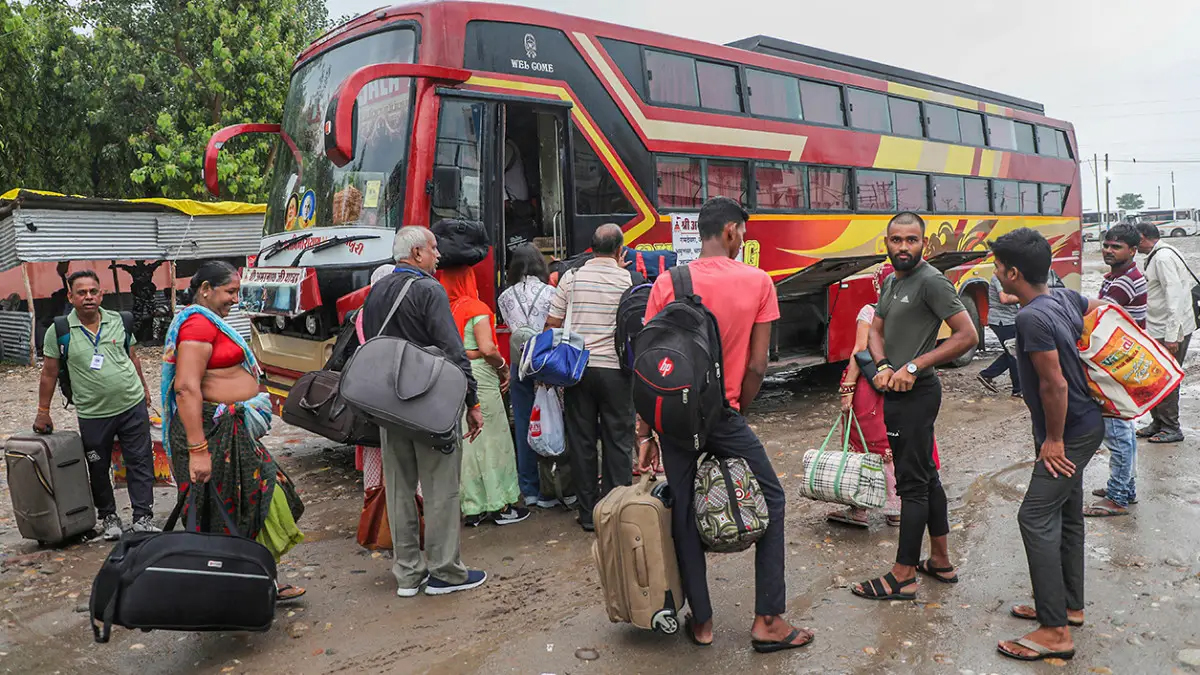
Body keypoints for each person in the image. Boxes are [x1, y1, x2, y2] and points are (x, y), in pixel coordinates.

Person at [635, 197, 810, 652]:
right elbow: (756, 365)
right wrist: (736, 408)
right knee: (771, 497)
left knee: (685, 510)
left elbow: (652, 366)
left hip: (674, 420)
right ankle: (768, 618)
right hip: (725, 414)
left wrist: (645, 430)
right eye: (744, 233)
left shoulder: (669, 281)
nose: (744, 240)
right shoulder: (758, 282)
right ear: (731, 231)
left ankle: (704, 622)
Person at [989, 228, 1104, 662]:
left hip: (1069, 429)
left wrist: (1054, 440)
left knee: (1034, 515)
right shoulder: (1060, 297)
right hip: (1086, 421)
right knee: (1067, 512)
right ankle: (1068, 607)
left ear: (1014, 272)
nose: (995, 274)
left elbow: (1053, 384)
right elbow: (1100, 308)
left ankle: (1055, 631)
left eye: (998, 268)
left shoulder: (1031, 318)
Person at [852, 211, 977, 601]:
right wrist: (885, 364)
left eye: (911, 240)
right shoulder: (891, 281)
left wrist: (914, 365)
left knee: (912, 484)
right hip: (896, 391)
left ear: (923, 243)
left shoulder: (931, 282)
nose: (903, 247)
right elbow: (876, 328)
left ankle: (903, 574)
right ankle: (940, 560)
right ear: (886, 242)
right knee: (927, 475)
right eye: (896, 240)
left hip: (918, 394)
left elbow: (967, 334)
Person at [162, 261, 306, 599]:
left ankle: (257, 582)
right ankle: (236, 590)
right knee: (234, 508)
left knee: (258, 501)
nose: (234, 299)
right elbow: (185, 388)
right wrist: (198, 451)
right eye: (230, 292)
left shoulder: (209, 322)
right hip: (212, 436)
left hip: (231, 431)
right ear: (206, 290)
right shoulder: (197, 325)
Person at [359, 226, 487, 597]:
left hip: (389, 405)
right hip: (430, 404)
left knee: (398, 488)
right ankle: (446, 572)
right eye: (433, 249)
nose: (438, 256)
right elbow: (454, 351)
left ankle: (408, 575)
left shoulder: (377, 289)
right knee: (441, 489)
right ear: (416, 254)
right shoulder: (430, 290)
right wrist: (472, 402)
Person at [33, 270, 159, 541]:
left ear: (102, 294)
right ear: (71, 296)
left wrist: (145, 389)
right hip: (93, 413)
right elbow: (49, 373)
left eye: (93, 291)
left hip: (131, 404)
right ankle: (109, 516)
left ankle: (143, 517)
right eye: (81, 292)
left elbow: (132, 357)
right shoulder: (60, 330)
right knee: (98, 467)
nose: (88, 297)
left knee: (140, 461)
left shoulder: (120, 321)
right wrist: (43, 412)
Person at [546, 223, 635, 532]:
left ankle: (587, 515)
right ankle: (618, 512)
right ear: (620, 250)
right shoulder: (630, 280)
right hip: (616, 373)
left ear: (591, 248)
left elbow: (552, 325)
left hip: (578, 372)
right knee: (618, 442)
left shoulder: (571, 278)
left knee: (582, 442)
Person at [441, 265, 528, 527]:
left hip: (455, 376)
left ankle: (473, 508)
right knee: (492, 440)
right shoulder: (476, 309)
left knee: (468, 443)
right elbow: (488, 348)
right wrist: (503, 368)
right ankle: (500, 505)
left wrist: (469, 354)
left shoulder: (445, 310)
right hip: (482, 379)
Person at [829, 263, 902, 528]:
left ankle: (859, 508)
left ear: (877, 285)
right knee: (890, 446)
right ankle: (896, 509)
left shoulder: (870, 312)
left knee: (861, 444)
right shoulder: (912, 312)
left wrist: (847, 389)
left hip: (870, 387)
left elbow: (860, 352)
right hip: (900, 385)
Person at [498, 244, 570, 509]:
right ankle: (557, 486)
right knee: (555, 423)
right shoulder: (552, 292)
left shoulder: (504, 297)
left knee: (526, 426)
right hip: (548, 366)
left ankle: (529, 489)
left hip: (520, 367)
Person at [1086, 224, 1147, 518]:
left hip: (1118, 363)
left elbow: (1101, 314)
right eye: (1106, 245)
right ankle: (1125, 487)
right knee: (1124, 429)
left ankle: (1118, 496)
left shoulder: (1125, 282)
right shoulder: (1117, 277)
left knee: (1116, 429)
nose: (1108, 250)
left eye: (1116, 247)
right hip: (1121, 359)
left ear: (1133, 251)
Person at [1134, 222, 1196, 443]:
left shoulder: (1162, 258)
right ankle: (1158, 422)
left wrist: (1172, 335)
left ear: (1143, 238)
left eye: (1135, 240)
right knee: (1155, 376)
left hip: (1169, 329)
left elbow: (1175, 297)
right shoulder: (1161, 253)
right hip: (1161, 326)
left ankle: (1171, 427)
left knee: (1165, 378)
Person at [977, 274, 1022, 397]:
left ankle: (987, 375)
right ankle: (1018, 389)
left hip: (1011, 320)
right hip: (1003, 321)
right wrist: (1025, 296)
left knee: (1014, 351)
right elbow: (1005, 298)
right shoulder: (999, 277)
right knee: (1015, 354)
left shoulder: (1015, 275)